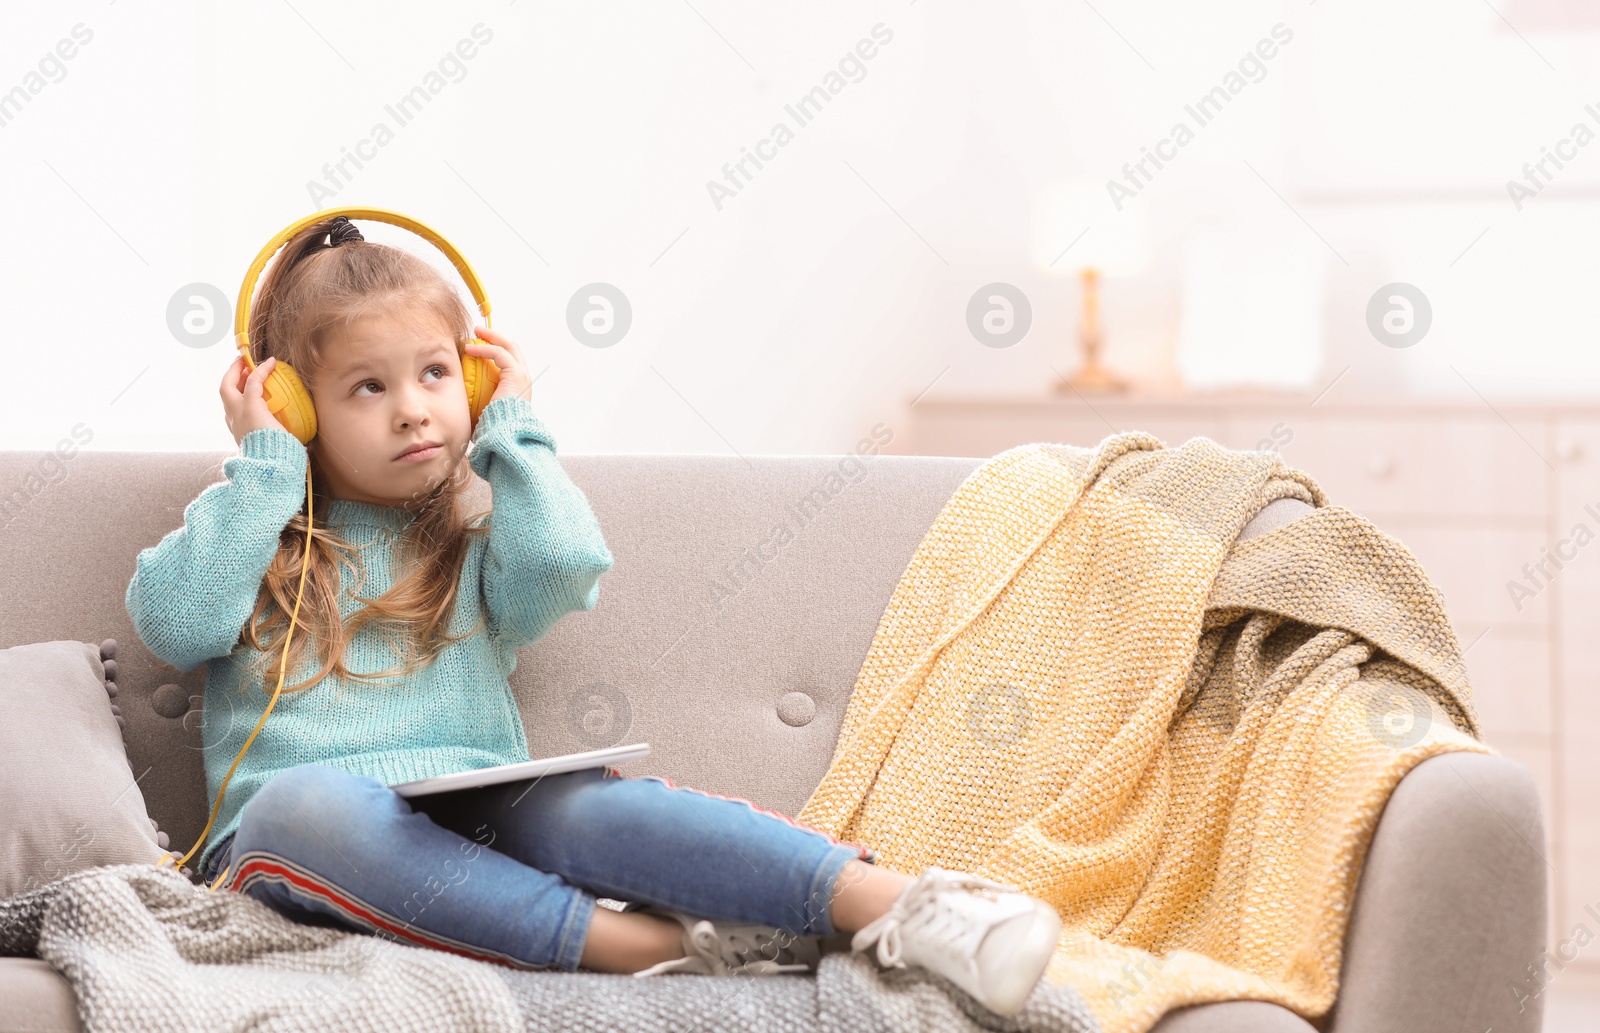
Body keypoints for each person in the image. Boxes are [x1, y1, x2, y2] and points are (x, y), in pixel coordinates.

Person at [124, 215, 1061, 1017]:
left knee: (578, 805)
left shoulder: (473, 536)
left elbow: (565, 567)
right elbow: (174, 620)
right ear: (291, 403)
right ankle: (639, 947)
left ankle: (902, 906)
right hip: (310, 845)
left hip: (475, 807)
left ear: (476, 381)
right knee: (302, 803)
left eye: (437, 374)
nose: (414, 410)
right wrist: (265, 472)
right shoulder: (252, 537)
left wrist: (515, 431)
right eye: (369, 387)